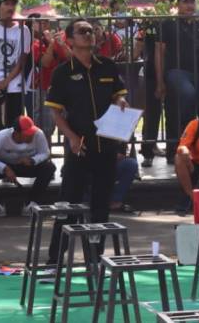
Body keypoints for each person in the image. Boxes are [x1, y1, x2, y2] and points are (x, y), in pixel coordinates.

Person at [45, 18, 130, 262]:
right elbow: (55, 112)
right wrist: (71, 137)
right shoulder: (63, 72)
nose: (89, 35)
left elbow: (118, 96)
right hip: (79, 147)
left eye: (91, 31)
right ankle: (55, 261)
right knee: (68, 205)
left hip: (106, 146)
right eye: (82, 31)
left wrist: (121, 102)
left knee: (100, 206)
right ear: (69, 40)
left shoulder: (107, 66)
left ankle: (95, 258)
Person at [156, 0, 199, 142]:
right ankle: (183, 139)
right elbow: (159, 53)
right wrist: (160, 81)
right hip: (176, 71)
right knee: (188, 95)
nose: (190, 5)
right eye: (186, 2)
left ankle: (195, 144)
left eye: (192, 2)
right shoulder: (167, 24)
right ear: (177, 5)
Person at [0, 114, 55, 217]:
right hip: (5, 165)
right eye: (27, 134)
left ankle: (32, 201)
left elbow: (45, 153)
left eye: (32, 132)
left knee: (49, 167)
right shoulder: (1, 137)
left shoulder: (38, 134)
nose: (31, 135)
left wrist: (33, 160)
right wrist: (4, 168)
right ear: (16, 133)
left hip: (26, 166)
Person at [0, 0, 32, 133]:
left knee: (14, 123)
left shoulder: (24, 30)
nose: (10, 7)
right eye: (6, 4)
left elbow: (22, 61)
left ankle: (12, 153)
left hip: (15, 84)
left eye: (13, 4)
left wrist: (6, 81)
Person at [137, 0, 174, 167]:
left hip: (173, 71)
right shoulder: (148, 22)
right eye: (157, 0)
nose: (160, 3)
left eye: (164, 0)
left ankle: (173, 150)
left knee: (173, 113)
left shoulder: (175, 22)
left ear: (171, 4)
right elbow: (139, 44)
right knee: (152, 113)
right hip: (151, 70)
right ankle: (148, 151)